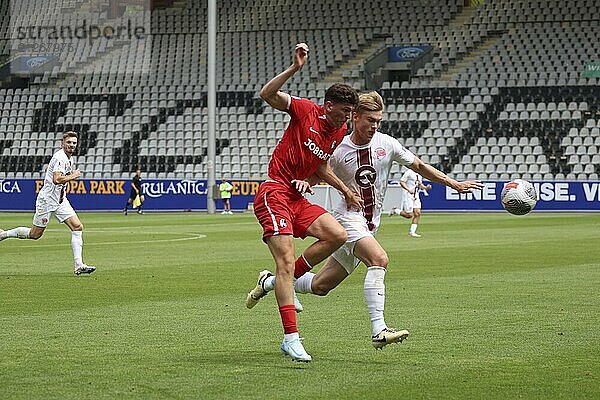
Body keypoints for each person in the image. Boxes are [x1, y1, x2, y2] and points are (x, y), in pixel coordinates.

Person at [246, 91, 482, 350]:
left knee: (321, 286)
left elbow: (420, 166)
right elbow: (316, 171)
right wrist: (304, 180)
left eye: (379, 121)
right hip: (347, 219)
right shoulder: (338, 148)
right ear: (355, 117)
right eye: (370, 120)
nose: (375, 126)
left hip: (370, 224)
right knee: (379, 259)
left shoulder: (387, 144)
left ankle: (270, 281)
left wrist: (453, 183)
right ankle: (379, 329)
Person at [244, 43, 363, 362]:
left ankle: (276, 282)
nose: (349, 119)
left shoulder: (337, 133)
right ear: (328, 106)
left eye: (352, 114)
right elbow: (266, 95)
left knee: (337, 235)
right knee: (285, 261)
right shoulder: (305, 109)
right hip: (274, 194)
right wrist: (295, 69)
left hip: (297, 196)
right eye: (345, 112)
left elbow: (320, 166)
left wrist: (342, 189)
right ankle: (290, 337)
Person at [0, 131, 96, 276]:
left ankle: (79, 264)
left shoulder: (69, 159)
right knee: (35, 234)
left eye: (74, 143)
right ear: (62, 143)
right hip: (47, 201)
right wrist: (73, 176)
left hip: (60, 200)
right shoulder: (60, 158)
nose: (71, 145)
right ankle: (4, 234)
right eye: (69, 142)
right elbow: (56, 179)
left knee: (77, 227)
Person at [390, 168, 432, 237]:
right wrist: (408, 189)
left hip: (416, 195)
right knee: (409, 215)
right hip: (408, 195)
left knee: (417, 213)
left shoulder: (419, 174)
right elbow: (401, 181)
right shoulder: (408, 172)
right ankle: (395, 210)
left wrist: (425, 188)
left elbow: (419, 184)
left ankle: (412, 232)